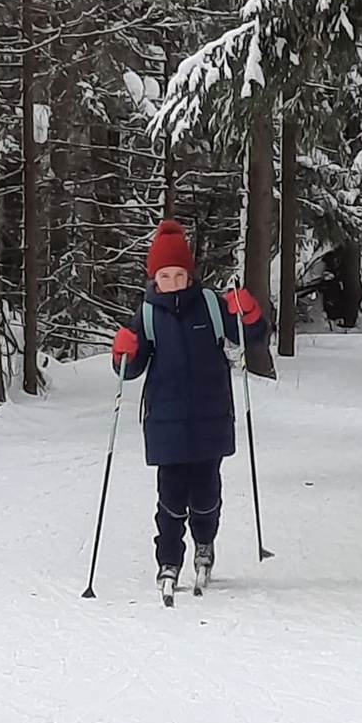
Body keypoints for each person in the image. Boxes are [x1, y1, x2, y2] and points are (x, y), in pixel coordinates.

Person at [111, 219, 267, 591]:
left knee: (206, 495)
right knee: (169, 499)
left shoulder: (211, 305)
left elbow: (253, 337)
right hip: (166, 424)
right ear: (154, 278)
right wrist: (123, 354)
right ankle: (168, 560)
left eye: (179, 274)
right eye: (165, 275)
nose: (173, 281)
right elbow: (131, 369)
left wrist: (250, 315)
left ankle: (204, 545)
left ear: (189, 274)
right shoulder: (147, 314)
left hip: (210, 420)